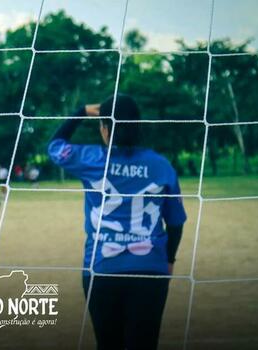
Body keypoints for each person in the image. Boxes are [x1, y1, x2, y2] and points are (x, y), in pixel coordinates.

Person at [48, 94, 186, 350]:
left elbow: (55, 145)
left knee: (108, 344)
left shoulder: (91, 158)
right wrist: (169, 260)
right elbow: (176, 223)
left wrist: (79, 112)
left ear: (105, 128)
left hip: (102, 269)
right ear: (138, 126)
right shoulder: (161, 165)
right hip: (150, 270)